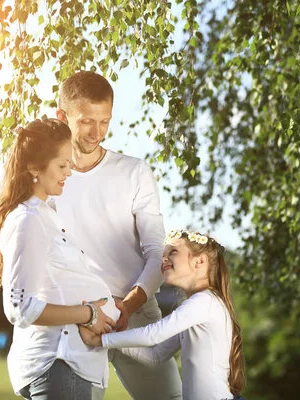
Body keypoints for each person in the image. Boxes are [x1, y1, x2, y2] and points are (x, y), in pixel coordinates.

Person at [55, 71, 182, 399]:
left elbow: (157, 252)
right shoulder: (46, 180)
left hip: (136, 313)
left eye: (104, 121)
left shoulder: (134, 171)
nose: (96, 133)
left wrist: (127, 305)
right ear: (61, 117)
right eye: (86, 121)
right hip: (77, 320)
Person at [0, 117, 121, 400]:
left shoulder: (48, 215)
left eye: (69, 163)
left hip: (71, 366)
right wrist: (89, 314)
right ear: (34, 167)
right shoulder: (28, 220)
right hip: (59, 365)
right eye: (61, 165)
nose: (68, 172)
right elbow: (20, 308)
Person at [80, 230, 247, 400]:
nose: (164, 258)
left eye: (173, 252)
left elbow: (154, 334)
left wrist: (101, 340)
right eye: (163, 254)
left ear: (200, 260)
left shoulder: (205, 301)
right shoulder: (198, 305)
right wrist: (112, 338)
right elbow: (156, 355)